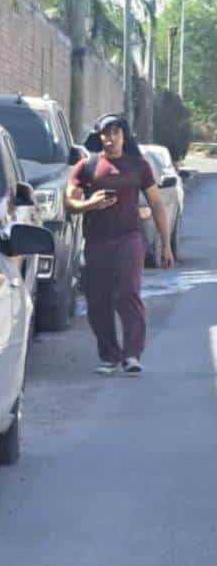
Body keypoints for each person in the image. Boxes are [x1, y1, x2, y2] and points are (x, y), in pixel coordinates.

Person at [64, 113, 173, 376]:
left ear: (124, 135)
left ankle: (132, 355)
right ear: (98, 136)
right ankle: (110, 355)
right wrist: (90, 204)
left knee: (128, 292)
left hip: (129, 238)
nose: (110, 139)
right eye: (105, 133)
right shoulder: (87, 166)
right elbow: (69, 201)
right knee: (98, 300)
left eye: (115, 133)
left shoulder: (138, 166)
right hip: (97, 241)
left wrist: (166, 244)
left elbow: (157, 203)